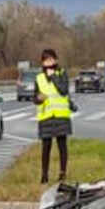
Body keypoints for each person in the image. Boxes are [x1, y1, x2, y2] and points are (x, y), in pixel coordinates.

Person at [34, 48, 73, 184]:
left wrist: (53, 77)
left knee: (62, 145)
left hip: (61, 115)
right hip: (46, 116)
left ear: (55, 60)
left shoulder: (62, 73)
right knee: (46, 147)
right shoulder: (39, 77)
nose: (48, 62)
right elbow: (35, 97)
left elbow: (63, 91)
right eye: (45, 60)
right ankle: (44, 175)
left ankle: (62, 173)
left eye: (51, 59)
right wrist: (38, 98)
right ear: (42, 62)